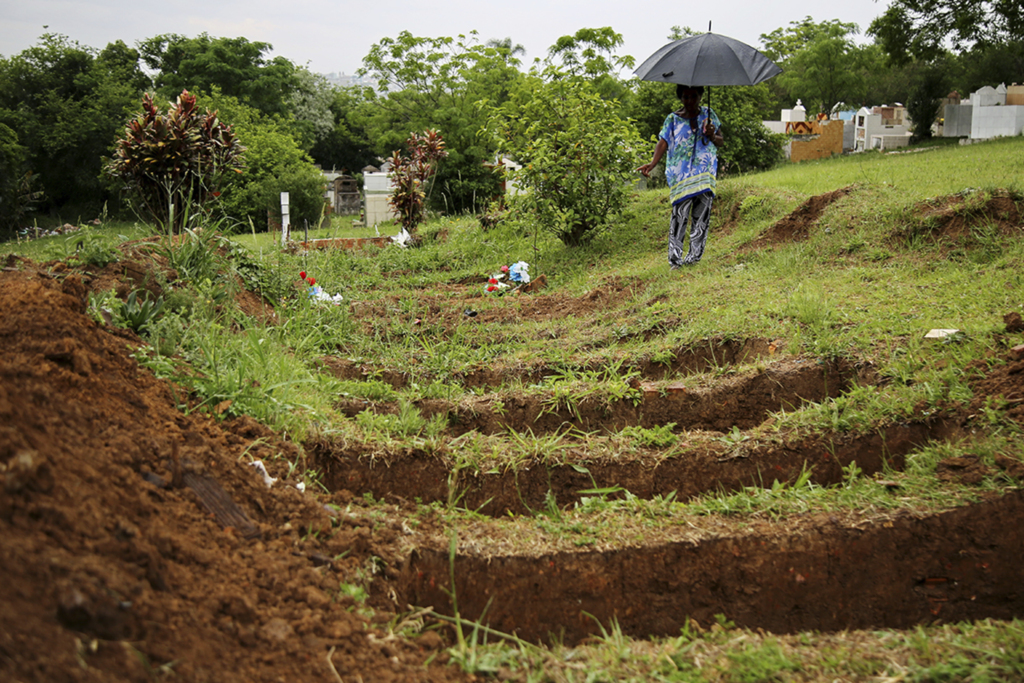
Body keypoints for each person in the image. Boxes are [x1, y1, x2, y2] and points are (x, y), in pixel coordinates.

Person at [638, 84, 723, 270]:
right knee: (679, 217)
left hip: (704, 173)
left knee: (701, 217)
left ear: (701, 96)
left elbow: (720, 141)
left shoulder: (709, 115)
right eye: (686, 97)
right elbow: (663, 142)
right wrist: (652, 164)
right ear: (681, 98)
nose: (690, 101)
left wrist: (712, 134)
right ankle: (675, 260)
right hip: (681, 176)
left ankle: (694, 258)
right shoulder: (672, 119)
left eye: (694, 96)